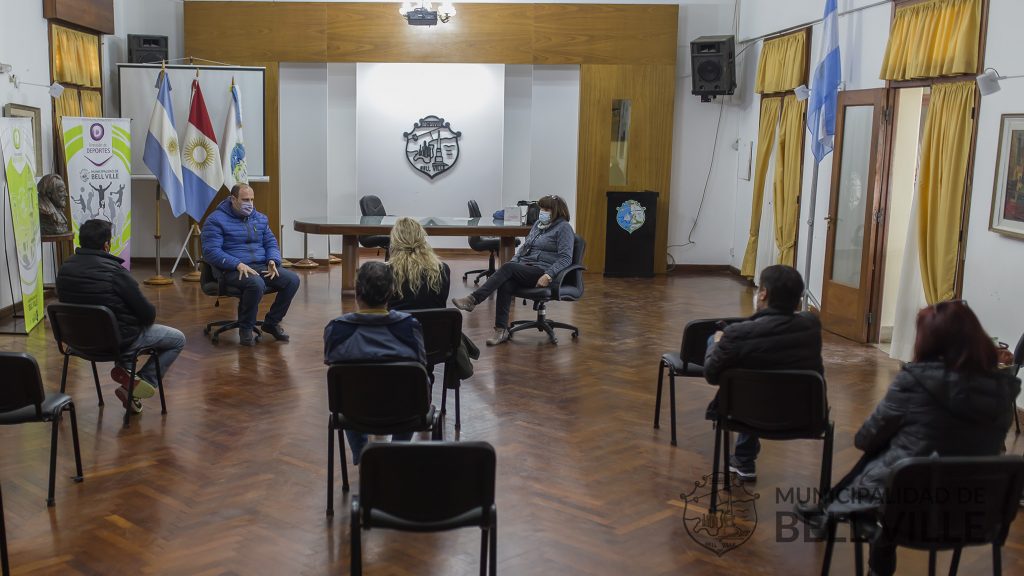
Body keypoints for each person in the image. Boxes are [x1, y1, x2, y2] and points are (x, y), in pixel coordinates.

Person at [796, 300, 1020, 576]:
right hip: (975, 511)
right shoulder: (1003, 391)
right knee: (904, 461)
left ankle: (843, 526)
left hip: (908, 510)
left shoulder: (914, 381)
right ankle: (828, 510)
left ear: (928, 342)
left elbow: (865, 439)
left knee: (888, 460)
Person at [703, 264, 823, 481]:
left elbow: (711, 375)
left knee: (750, 378)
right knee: (765, 375)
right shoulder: (811, 326)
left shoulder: (737, 334)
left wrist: (717, 343)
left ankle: (744, 458)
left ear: (764, 294)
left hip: (746, 413)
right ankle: (744, 459)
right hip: (804, 415)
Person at [57, 219, 186, 413]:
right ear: (107, 245)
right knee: (177, 339)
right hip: (114, 343)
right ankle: (141, 381)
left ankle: (129, 383)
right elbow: (147, 314)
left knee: (119, 330)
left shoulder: (64, 270)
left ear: (81, 242)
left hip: (76, 342)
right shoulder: (116, 273)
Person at [323, 261, 427, 465]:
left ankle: (363, 458)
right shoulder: (410, 326)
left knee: (347, 391)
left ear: (357, 290)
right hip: (404, 411)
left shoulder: (336, 329)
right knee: (412, 389)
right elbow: (421, 364)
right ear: (392, 291)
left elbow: (333, 365)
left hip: (356, 412)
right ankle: (398, 454)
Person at [452, 194, 574, 346]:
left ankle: (473, 299)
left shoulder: (564, 228)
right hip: (527, 267)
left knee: (508, 268)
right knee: (506, 281)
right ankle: (501, 330)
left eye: (547, 209)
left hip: (543, 271)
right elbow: (524, 248)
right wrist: (513, 264)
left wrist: (548, 275)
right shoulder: (538, 225)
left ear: (556, 211)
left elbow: (566, 258)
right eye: (541, 208)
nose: (542, 211)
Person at [202, 183, 300, 346]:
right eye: (245, 199)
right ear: (233, 199)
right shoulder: (215, 220)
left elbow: (271, 243)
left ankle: (271, 323)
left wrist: (272, 261)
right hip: (231, 269)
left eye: (252, 200)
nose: (250, 204)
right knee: (256, 284)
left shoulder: (259, 218)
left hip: (260, 265)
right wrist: (236, 263)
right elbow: (210, 251)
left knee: (292, 280)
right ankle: (246, 328)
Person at [387, 217, 450, 311]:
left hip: (398, 324)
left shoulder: (386, 271)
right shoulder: (442, 269)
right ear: (422, 239)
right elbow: (440, 302)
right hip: (435, 324)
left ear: (394, 241)